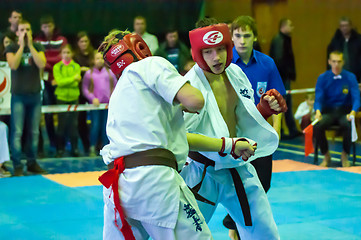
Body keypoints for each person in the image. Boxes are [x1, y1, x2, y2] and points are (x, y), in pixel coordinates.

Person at [97, 29, 218, 240]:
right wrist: (185, 95)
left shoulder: (120, 91)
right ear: (139, 47)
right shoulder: (151, 65)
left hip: (118, 187)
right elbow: (196, 100)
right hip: (154, 182)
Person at [180, 18, 287, 240]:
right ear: (198, 52)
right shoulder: (189, 86)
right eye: (208, 52)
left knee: (265, 233)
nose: (216, 57)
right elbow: (181, 136)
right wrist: (227, 145)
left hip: (237, 166)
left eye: (220, 49)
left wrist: (264, 110)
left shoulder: (236, 73)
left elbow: (241, 119)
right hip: (202, 174)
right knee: (184, 236)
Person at [222, 15, 287, 239]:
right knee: (237, 184)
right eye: (237, 35)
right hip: (234, 135)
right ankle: (234, 228)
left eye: (246, 35)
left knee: (264, 183)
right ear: (231, 38)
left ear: (254, 38)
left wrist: (275, 131)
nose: (242, 40)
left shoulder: (267, 64)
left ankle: (235, 222)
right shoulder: (226, 65)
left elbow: (277, 101)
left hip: (260, 133)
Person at [5, 19, 47, 176]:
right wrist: (22, 47)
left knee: (34, 131)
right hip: (19, 96)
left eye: (27, 29)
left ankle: (32, 162)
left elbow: (42, 63)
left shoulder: (37, 46)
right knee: (17, 131)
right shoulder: (11, 47)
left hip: (35, 95)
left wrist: (29, 46)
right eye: (22, 30)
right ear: (17, 33)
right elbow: (13, 65)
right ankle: (17, 164)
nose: (25, 32)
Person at [314, 51, 360, 168]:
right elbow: (318, 98)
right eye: (334, 61)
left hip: (344, 112)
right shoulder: (323, 78)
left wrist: (353, 112)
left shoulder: (350, 77)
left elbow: (356, 98)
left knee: (348, 125)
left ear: (343, 62)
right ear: (329, 62)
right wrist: (318, 111)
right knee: (318, 125)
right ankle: (326, 155)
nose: (336, 64)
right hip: (328, 112)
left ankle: (345, 154)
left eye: (339, 61)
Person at [34, 15, 68, 153]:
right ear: (41, 27)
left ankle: (62, 144)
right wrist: (48, 62)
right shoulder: (37, 41)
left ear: (53, 25)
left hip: (60, 79)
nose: (47, 28)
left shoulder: (62, 40)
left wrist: (46, 61)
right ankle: (52, 141)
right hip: (44, 80)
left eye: (49, 25)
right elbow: (39, 60)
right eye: (45, 26)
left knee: (62, 113)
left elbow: (63, 57)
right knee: (47, 113)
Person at [270, 18, 300, 139]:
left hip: (284, 77)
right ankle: (282, 130)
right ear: (284, 26)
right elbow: (279, 60)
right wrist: (286, 74)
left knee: (286, 103)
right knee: (282, 103)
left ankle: (289, 129)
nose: (292, 27)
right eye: (290, 25)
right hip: (281, 78)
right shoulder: (279, 40)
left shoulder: (285, 39)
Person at [82, 51, 117, 156]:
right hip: (95, 106)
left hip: (107, 106)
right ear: (93, 60)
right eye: (97, 58)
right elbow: (85, 89)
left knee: (106, 127)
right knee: (95, 126)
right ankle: (92, 147)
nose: (99, 61)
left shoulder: (110, 73)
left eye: (101, 58)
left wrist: (112, 97)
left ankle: (106, 148)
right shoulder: (89, 73)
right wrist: (92, 98)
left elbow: (115, 86)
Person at [53, 44, 81, 157]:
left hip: (74, 98)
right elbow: (59, 82)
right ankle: (60, 149)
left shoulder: (76, 66)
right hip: (61, 98)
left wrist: (67, 81)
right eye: (64, 52)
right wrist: (72, 79)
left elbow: (76, 82)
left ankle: (74, 149)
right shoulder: (57, 67)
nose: (66, 55)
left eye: (68, 52)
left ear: (72, 54)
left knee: (73, 124)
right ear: (61, 54)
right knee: (61, 125)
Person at [74, 31, 94, 155]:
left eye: (86, 41)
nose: (84, 44)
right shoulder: (75, 57)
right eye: (81, 41)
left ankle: (96, 144)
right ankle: (85, 144)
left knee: (96, 120)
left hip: (94, 91)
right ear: (78, 43)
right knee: (80, 119)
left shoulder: (93, 55)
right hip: (80, 91)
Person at [327, 16, 361, 82]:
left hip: (356, 76)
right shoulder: (335, 41)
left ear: (351, 26)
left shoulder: (358, 40)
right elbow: (330, 59)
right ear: (339, 27)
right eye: (342, 26)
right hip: (339, 75)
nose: (344, 28)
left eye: (346, 25)